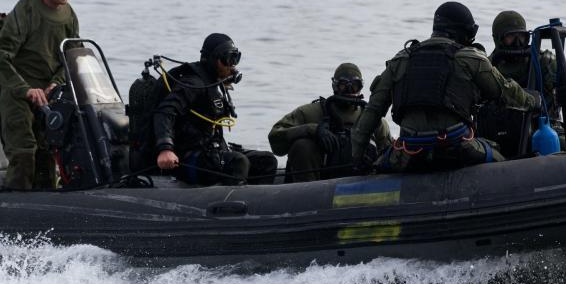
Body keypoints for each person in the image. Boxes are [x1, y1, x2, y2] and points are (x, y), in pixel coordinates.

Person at [350, 1, 540, 174]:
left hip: (408, 152)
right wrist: (534, 100)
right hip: (457, 148)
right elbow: (507, 93)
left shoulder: (400, 60)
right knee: (500, 158)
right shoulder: (470, 58)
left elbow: (371, 114)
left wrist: (358, 160)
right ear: (465, 33)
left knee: (379, 166)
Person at [0, 0, 80, 190]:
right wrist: (25, 89)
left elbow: (72, 57)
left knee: (48, 153)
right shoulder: (26, 9)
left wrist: (55, 83)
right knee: (24, 151)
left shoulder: (69, 15)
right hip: (18, 92)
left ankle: (47, 208)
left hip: (48, 95)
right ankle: (14, 209)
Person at [154, 33, 277, 185]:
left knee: (266, 160)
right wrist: (166, 149)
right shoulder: (194, 84)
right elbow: (165, 111)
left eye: (235, 58)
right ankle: (230, 206)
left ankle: (258, 204)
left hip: (214, 151)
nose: (232, 65)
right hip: (189, 159)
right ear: (213, 59)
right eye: (228, 59)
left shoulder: (215, 82)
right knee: (238, 162)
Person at [268, 63, 392, 182]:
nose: (349, 90)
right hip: (314, 184)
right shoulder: (310, 113)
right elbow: (275, 137)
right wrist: (312, 130)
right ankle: (306, 195)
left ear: (361, 87)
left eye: (355, 85)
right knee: (302, 145)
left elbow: (389, 154)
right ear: (334, 86)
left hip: (362, 182)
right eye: (343, 84)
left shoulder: (374, 120)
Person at [480, 10, 566, 157]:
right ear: (498, 39)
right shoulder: (488, 67)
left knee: (561, 142)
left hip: (543, 128)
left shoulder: (543, 61)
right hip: (502, 133)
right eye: (511, 37)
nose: (518, 42)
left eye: (522, 37)